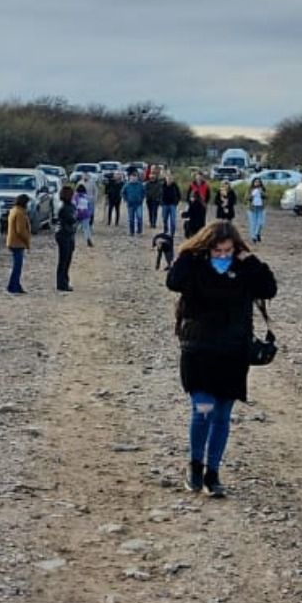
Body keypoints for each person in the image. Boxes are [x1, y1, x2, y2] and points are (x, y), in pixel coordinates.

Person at [166, 220, 278, 498]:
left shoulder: (244, 268)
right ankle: (195, 466)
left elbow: (269, 288)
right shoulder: (194, 266)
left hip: (232, 353)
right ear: (207, 247)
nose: (222, 256)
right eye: (216, 251)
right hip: (199, 351)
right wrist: (190, 254)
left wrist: (249, 260)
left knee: (222, 416)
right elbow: (173, 281)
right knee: (202, 410)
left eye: (228, 251)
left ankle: (213, 473)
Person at [5, 194, 32, 294]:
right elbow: (20, 230)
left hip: (13, 242)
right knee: (17, 266)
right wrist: (27, 240)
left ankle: (15, 285)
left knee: (17, 266)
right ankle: (13, 286)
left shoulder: (14, 210)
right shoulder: (20, 213)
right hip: (17, 243)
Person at [55, 185, 77, 291]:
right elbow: (71, 219)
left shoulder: (68, 206)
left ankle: (64, 281)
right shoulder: (64, 207)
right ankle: (62, 283)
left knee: (66, 260)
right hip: (64, 235)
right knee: (64, 260)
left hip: (68, 234)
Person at [122, 171, 146, 235]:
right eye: (132, 177)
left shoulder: (140, 185)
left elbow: (144, 192)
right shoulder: (127, 185)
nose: (134, 178)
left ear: (137, 178)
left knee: (139, 217)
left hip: (138, 204)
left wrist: (142, 198)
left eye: (135, 177)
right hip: (130, 204)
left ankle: (139, 230)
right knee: (131, 219)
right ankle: (131, 231)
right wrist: (126, 199)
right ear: (130, 178)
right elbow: (123, 193)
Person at [247, 178, 266, 243]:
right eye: (256, 182)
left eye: (258, 182)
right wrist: (252, 194)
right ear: (253, 183)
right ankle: (253, 237)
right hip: (252, 208)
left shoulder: (262, 189)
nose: (257, 183)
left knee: (261, 223)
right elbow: (247, 198)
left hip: (260, 207)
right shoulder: (250, 189)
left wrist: (261, 192)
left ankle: (257, 233)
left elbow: (266, 196)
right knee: (253, 223)